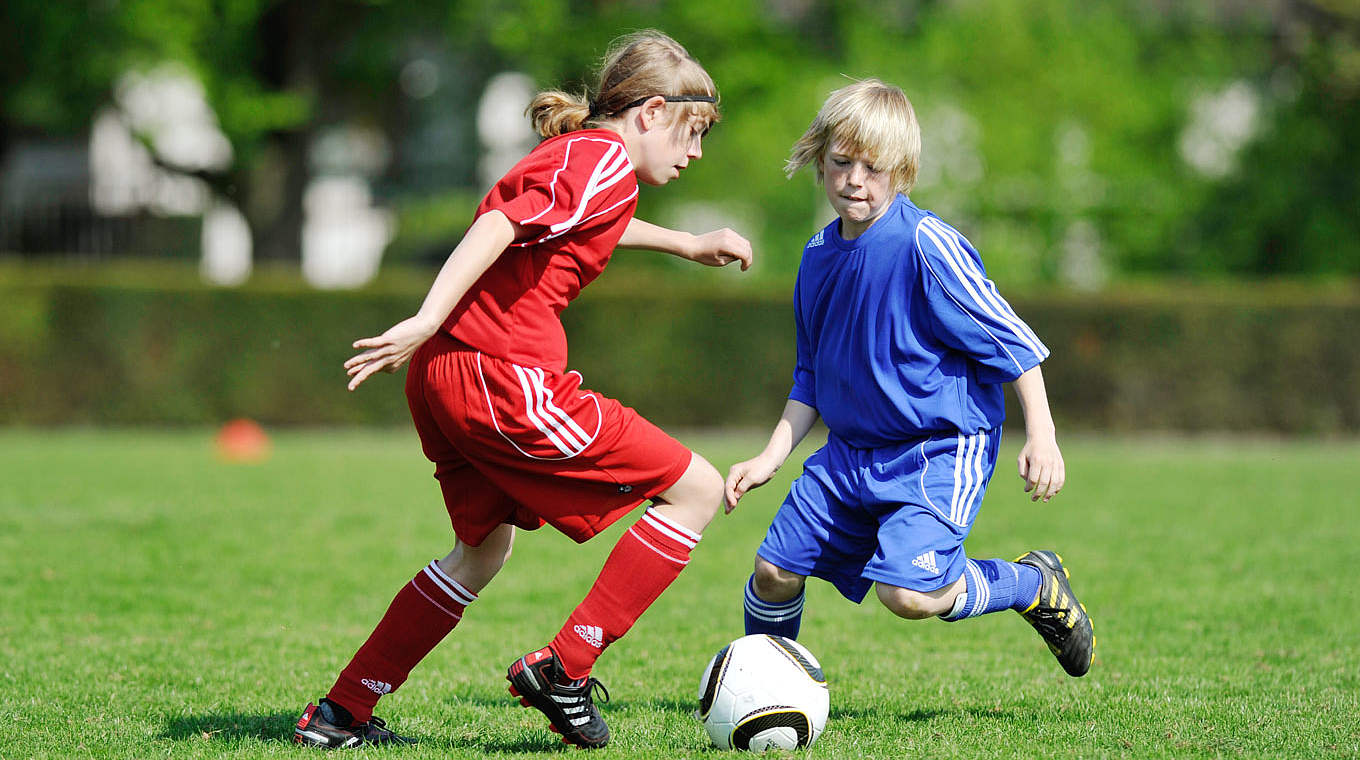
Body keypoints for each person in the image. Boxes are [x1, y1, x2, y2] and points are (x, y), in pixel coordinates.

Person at [293, 30, 752, 750]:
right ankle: (563, 668)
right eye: (692, 134)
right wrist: (426, 314)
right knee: (695, 488)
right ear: (653, 112)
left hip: (449, 375)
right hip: (500, 375)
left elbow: (578, 222)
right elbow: (501, 223)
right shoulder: (603, 162)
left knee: (480, 554)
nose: (693, 154)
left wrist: (687, 245)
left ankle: (340, 713)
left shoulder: (583, 158)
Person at [724, 79, 1095, 679]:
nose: (855, 181)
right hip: (849, 456)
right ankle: (767, 687)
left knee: (911, 597)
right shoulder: (816, 255)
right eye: (842, 163)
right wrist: (770, 456)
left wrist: (1043, 435)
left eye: (873, 168)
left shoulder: (927, 245)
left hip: (936, 450)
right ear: (820, 161)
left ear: (903, 170)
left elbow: (1015, 344)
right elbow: (811, 377)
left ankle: (1030, 583)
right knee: (772, 572)